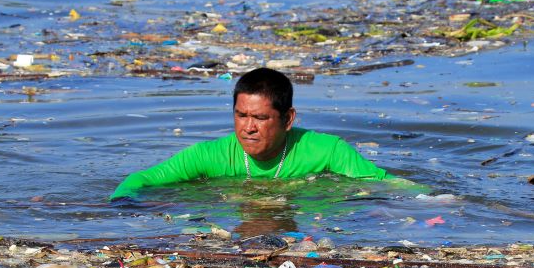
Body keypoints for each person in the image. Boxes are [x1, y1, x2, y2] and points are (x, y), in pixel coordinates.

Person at [110, 67, 391, 200]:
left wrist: (430, 201)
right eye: (241, 115)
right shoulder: (209, 155)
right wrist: (124, 201)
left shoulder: (326, 151)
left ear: (288, 118)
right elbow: (144, 179)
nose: (248, 127)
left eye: (260, 118)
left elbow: (384, 183)